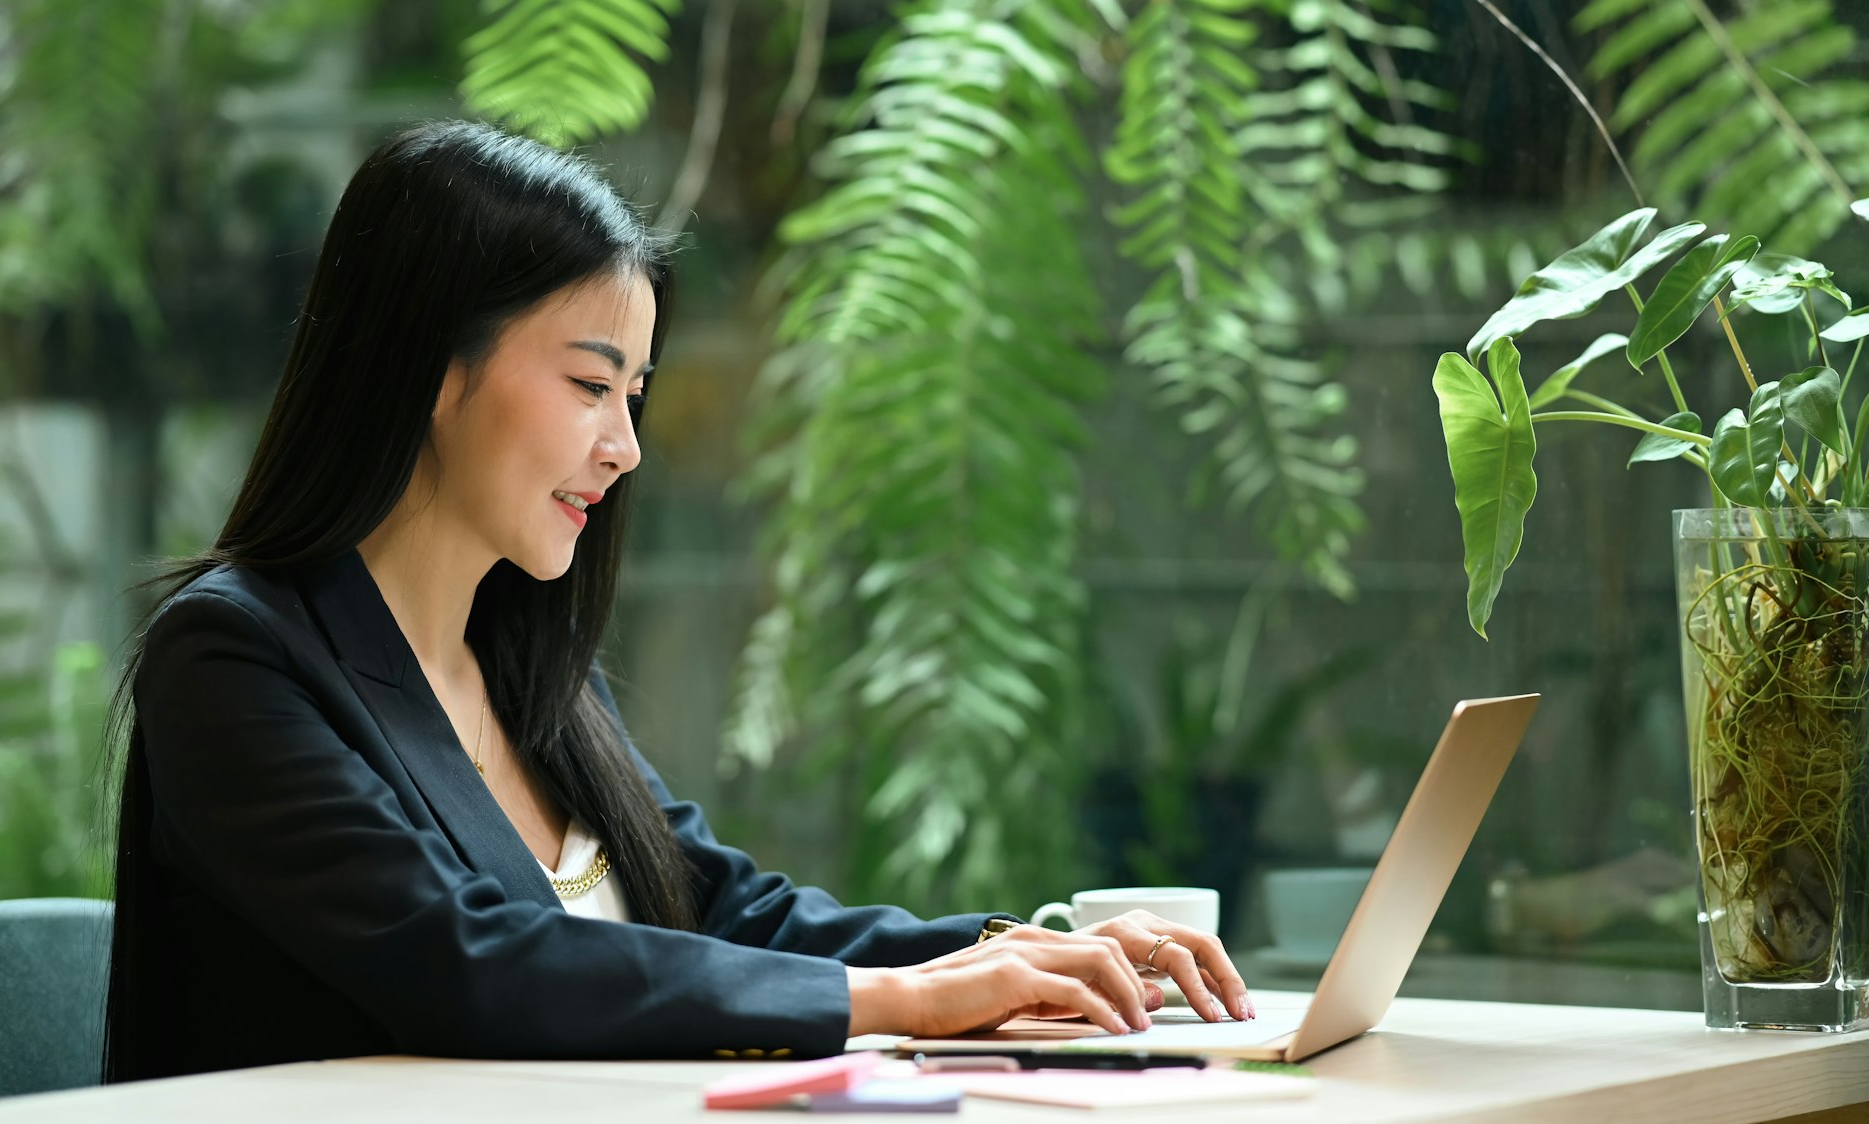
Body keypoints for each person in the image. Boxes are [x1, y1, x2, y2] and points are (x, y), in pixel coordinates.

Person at [100, 120, 1250, 1083]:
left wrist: (1024, 949)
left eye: (633, 393)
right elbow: (466, 964)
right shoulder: (233, 660)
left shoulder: (516, 657)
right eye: (591, 383)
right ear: (429, 370)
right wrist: (904, 998)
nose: (625, 445)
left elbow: (713, 905)